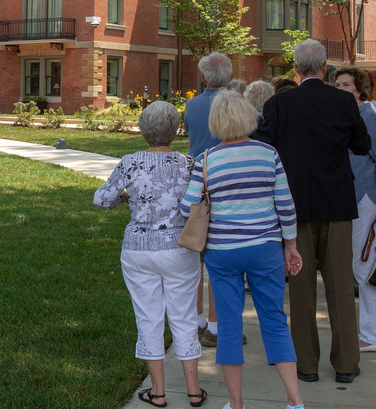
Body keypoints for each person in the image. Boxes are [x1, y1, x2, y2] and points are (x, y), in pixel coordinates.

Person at [252, 39, 370, 384]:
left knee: (301, 290)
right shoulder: (344, 101)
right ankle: (346, 363)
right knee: (340, 288)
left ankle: (305, 364)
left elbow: (262, 143)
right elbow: (361, 145)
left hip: (294, 208)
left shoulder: (279, 104)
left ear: (296, 69)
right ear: (324, 67)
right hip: (336, 205)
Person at [181, 91, 304, 409]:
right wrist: (290, 245)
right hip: (265, 249)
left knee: (230, 326)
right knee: (275, 321)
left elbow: (187, 208)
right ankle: (294, 401)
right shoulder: (268, 154)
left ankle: (236, 404)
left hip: (223, 253)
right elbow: (286, 205)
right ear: (249, 117)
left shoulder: (205, 160)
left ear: (215, 123)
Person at [94, 101, 205, 408]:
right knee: (184, 317)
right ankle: (194, 392)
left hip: (138, 251)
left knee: (148, 317)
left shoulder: (130, 162)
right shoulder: (190, 163)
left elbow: (102, 199)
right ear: (175, 130)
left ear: (143, 130)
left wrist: (126, 197)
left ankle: (157, 393)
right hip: (180, 249)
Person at [334, 66, 376, 353]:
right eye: (337, 84)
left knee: (364, 266)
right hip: (356, 196)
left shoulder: (368, 117)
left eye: (346, 85)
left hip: (367, 199)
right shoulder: (349, 117)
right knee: (371, 265)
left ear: (359, 89)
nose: (340, 89)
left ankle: (372, 335)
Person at [183, 51, 233, 345]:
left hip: (197, 184)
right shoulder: (237, 104)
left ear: (203, 77)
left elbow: (191, 138)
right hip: (228, 183)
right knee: (221, 260)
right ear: (227, 76)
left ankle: (198, 321)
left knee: (196, 255)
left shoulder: (192, 104)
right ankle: (216, 327)